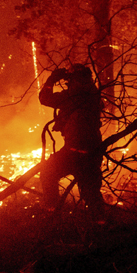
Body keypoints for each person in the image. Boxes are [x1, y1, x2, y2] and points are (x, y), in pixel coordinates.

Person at [38, 64, 105, 214]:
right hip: (93, 150)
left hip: (75, 151)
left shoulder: (74, 95)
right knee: (91, 193)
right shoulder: (93, 93)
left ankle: (52, 213)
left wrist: (52, 79)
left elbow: (45, 98)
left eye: (71, 80)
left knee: (48, 172)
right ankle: (102, 225)